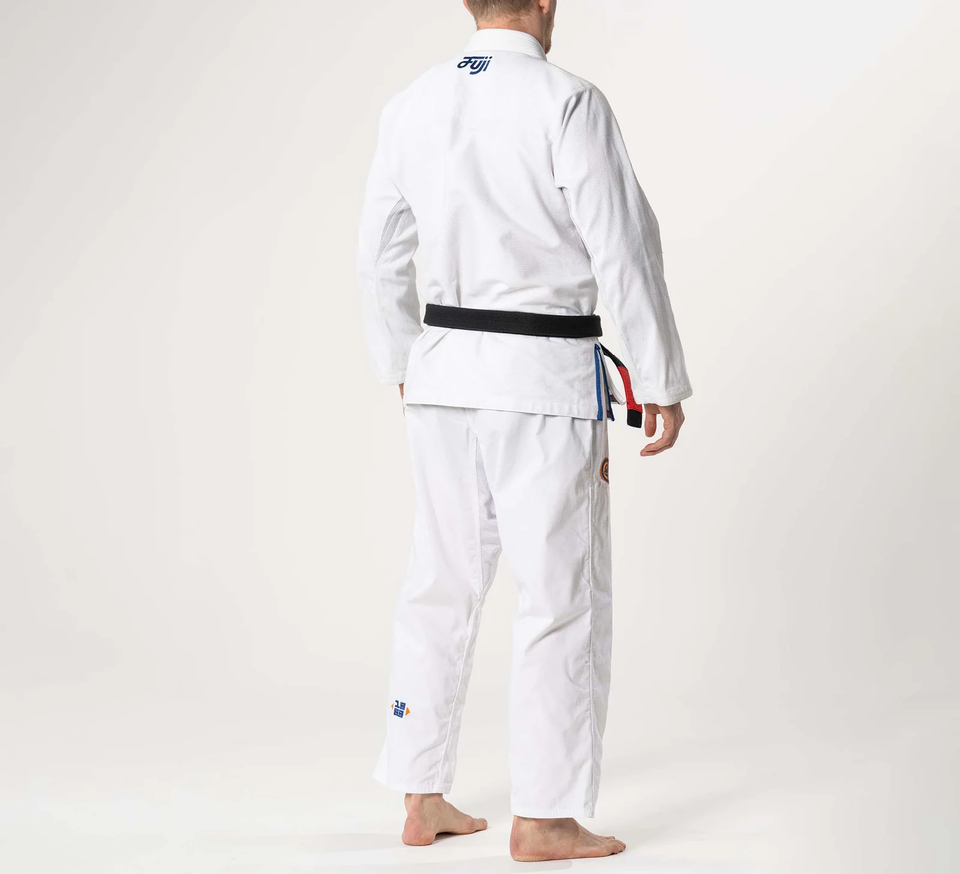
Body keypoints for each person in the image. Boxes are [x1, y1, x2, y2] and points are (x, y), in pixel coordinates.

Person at [356, 0, 693, 862]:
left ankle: (420, 797)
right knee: (559, 596)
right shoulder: (566, 100)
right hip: (540, 382)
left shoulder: (413, 102)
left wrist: (402, 359)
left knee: (439, 581)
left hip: (441, 374)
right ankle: (544, 816)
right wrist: (659, 378)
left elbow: (379, 252)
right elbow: (624, 246)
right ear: (545, 1)